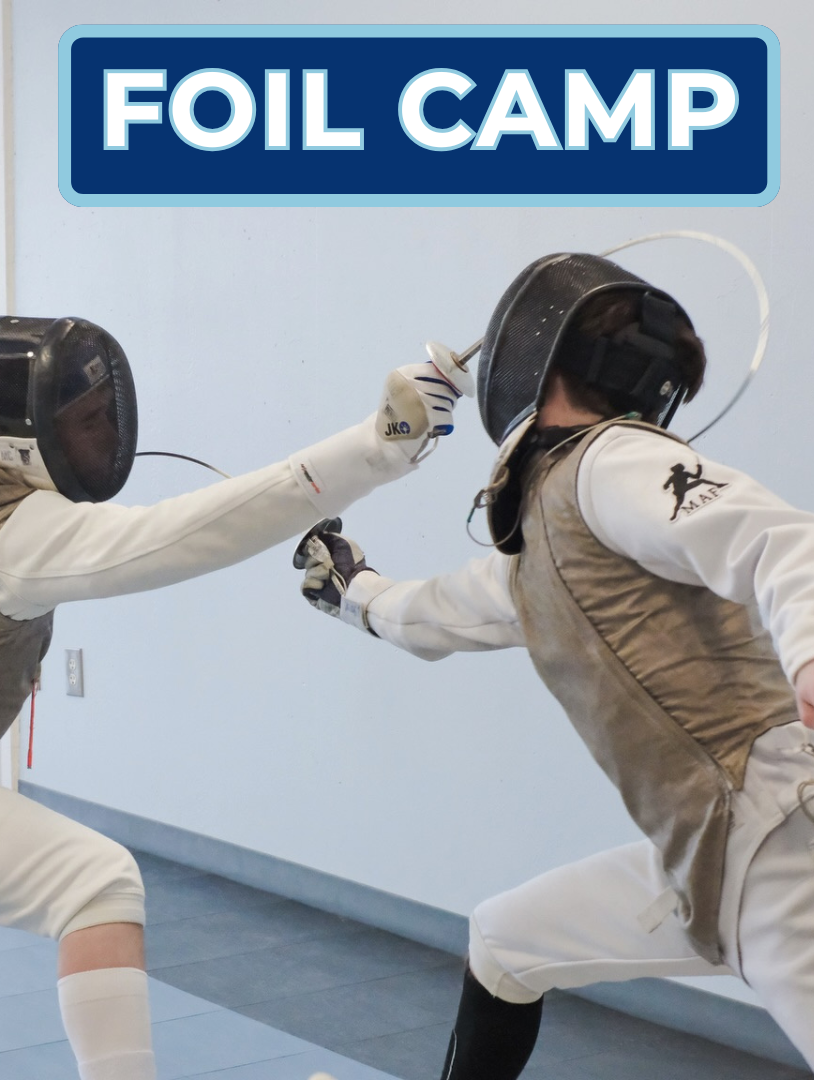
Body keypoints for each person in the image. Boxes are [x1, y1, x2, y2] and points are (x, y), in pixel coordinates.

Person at [0, 15, 473, 1080]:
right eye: (78, 422)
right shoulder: (22, 537)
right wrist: (381, 445)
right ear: (26, 425)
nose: (98, 434)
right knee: (97, 885)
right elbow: (207, 527)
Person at [297, 250, 814, 1077]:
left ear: (534, 354)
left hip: (783, 845)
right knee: (508, 939)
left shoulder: (615, 461)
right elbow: (441, 612)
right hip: (708, 851)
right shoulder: (556, 533)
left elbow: (780, 542)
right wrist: (354, 591)